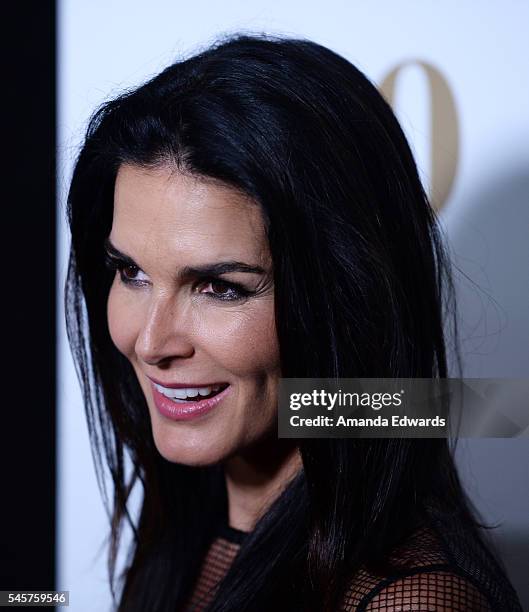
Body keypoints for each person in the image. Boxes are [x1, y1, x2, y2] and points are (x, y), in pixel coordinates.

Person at [64, 33, 523, 611]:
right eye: (131, 272)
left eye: (219, 288)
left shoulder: (407, 601)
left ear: (343, 300)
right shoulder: (192, 527)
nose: (151, 341)